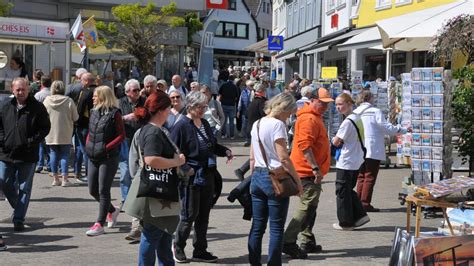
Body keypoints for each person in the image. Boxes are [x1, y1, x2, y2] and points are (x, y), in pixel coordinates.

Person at [123, 90, 185, 266]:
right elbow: (151, 159)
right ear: (161, 110)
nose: (170, 112)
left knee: (163, 237)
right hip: (156, 191)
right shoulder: (153, 132)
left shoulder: (150, 130)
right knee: (152, 235)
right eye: (169, 108)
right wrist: (176, 161)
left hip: (159, 190)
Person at [170, 91, 233, 263]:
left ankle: (200, 250)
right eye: (201, 107)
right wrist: (185, 168)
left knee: (203, 214)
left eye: (205, 106)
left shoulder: (204, 123)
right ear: (191, 106)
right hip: (190, 177)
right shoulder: (181, 125)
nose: (204, 109)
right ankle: (178, 246)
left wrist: (224, 151)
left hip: (207, 174)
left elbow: (211, 145)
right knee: (189, 214)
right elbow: (172, 150)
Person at [247, 92, 303, 266]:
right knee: (276, 228)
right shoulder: (278, 125)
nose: (289, 117)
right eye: (289, 113)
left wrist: (254, 176)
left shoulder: (257, 123)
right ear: (283, 109)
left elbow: (252, 157)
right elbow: (283, 158)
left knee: (257, 226)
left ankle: (254, 262)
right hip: (274, 177)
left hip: (257, 175)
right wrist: (298, 181)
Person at [282, 87, 334, 258]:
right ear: (311, 100)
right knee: (307, 206)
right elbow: (305, 146)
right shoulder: (309, 119)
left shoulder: (313, 117)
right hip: (306, 171)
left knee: (311, 206)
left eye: (327, 104)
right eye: (322, 103)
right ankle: (288, 241)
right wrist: (315, 168)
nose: (325, 107)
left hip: (308, 171)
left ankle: (307, 240)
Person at [0, 77, 51, 231]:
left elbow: (45, 128)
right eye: (18, 89)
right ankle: (19, 207)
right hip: (6, 153)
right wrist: (2, 140)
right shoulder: (4, 105)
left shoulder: (37, 107)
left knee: (24, 187)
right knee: (3, 181)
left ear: (28, 89)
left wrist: (31, 141)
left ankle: (19, 218)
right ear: (12, 90)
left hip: (27, 154)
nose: (21, 92)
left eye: (23, 89)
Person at [354, 89, 406, 212]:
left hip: (359, 147)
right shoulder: (375, 111)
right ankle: (365, 203)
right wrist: (402, 129)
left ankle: (358, 202)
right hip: (373, 147)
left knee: (361, 175)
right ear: (369, 98)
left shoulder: (355, 112)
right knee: (370, 176)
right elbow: (387, 128)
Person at [84, 86, 125, 236]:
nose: (93, 98)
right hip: (93, 156)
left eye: (95, 96)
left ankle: (99, 224)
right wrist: (88, 144)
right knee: (92, 190)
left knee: (103, 190)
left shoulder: (115, 114)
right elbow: (90, 131)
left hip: (108, 157)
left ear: (103, 97)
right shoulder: (94, 112)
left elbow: (121, 135)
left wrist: (106, 148)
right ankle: (112, 211)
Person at [332, 93, 370, 230]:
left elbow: (336, 142)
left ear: (349, 104)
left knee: (342, 191)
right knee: (348, 189)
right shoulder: (357, 118)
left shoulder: (347, 122)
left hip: (347, 160)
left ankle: (346, 222)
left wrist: (332, 139)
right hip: (356, 159)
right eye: (336, 104)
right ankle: (360, 216)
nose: (338, 107)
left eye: (341, 104)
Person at [43, 80, 79, 187]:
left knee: (53, 154)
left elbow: (43, 116)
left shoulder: (46, 101)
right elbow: (75, 117)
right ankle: (65, 179)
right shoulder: (69, 101)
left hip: (50, 132)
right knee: (65, 155)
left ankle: (55, 178)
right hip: (65, 131)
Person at [119, 79, 145, 206]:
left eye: (138, 90)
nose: (137, 92)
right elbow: (115, 118)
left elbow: (148, 114)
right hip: (126, 139)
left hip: (141, 138)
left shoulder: (143, 101)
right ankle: (125, 199)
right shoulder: (121, 102)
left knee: (140, 169)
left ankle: (138, 199)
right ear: (127, 92)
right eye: (134, 90)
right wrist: (125, 118)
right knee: (125, 172)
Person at [234, 83, 267, 181]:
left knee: (256, 154)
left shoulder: (253, 102)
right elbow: (265, 115)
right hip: (258, 130)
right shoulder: (262, 102)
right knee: (258, 154)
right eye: (264, 91)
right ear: (262, 91)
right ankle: (246, 173)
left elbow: (247, 115)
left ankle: (242, 170)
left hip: (252, 129)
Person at [67, 72, 96, 183]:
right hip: (93, 124)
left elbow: (80, 108)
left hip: (83, 124)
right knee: (82, 149)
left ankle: (85, 173)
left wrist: (76, 120)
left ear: (86, 81)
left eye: (82, 81)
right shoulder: (99, 91)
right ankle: (79, 171)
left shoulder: (85, 92)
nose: (80, 83)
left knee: (83, 150)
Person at [34, 75, 52, 173]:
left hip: (40, 121)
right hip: (52, 121)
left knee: (41, 145)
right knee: (49, 145)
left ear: (41, 83)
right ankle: (49, 165)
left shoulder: (38, 95)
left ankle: (40, 164)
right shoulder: (52, 93)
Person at [218, 73, 239, 139]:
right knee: (231, 121)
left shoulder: (223, 85)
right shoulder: (234, 86)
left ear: (228, 79)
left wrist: (221, 101)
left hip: (224, 104)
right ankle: (232, 135)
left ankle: (223, 135)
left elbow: (220, 95)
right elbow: (236, 97)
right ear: (233, 80)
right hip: (232, 105)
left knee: (224, 120)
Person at [237, 80, 253, 146]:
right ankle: (246, 139)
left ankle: (251, 139)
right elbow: (240, 101)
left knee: (251, 126)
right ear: (247, 86)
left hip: (252, 112)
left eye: (253, 85)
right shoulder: (243, 92)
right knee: (245, 126)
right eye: (251, 85)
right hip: (244, 111)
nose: (252, 87)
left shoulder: (254, 92)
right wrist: (238, 110)